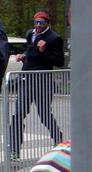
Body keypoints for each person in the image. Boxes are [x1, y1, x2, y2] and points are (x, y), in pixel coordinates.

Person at [8, 9, 66, 159]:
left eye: (41, 22)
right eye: (36, 22)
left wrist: (44, 50)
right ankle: (14, 150)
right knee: (18, 115)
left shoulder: (54, 38)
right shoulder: (30, 34)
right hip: (26, 81)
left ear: (47, 23)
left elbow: (59, 62)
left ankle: (59, 142)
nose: (38, 25)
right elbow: (30, 51)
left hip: (42, 82)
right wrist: (23, 56)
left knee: (45, 115)